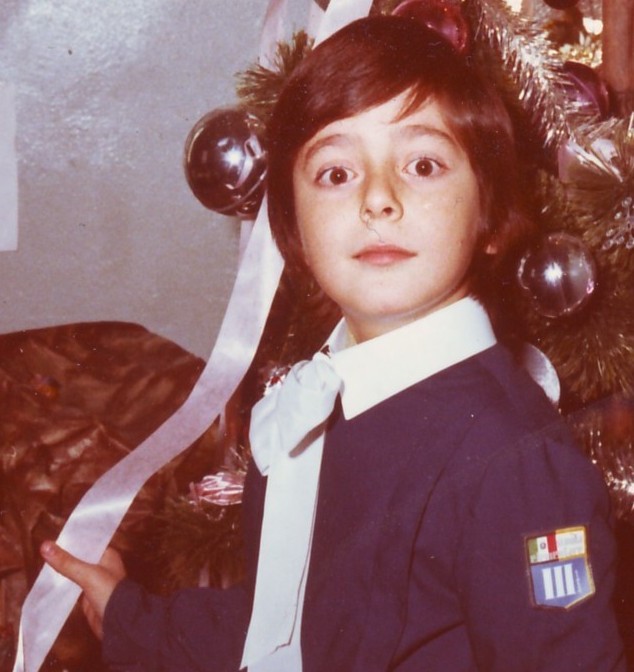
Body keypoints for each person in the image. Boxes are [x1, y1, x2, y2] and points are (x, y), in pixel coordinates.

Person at [40, 14, 626, 671]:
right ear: (294, 231)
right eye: (336, 174)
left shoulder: (511, 457)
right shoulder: (319, 401)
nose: (378, 198)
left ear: (489, 217)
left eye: (423, 164)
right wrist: (128, 616)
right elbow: (285, 627)